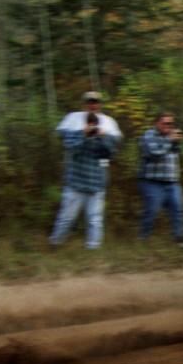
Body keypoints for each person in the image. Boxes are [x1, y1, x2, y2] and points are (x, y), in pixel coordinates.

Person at [49, 91, 123, 250]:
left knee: (94, 219)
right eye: (89, 102)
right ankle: (55, 244)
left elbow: (111, 153)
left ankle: (93, 249)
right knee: (66, 217)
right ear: (84, 103)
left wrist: (103, 136)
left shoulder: (108, 123)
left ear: (100, 104)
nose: (93, 105)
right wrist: (83, 134)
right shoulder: (72, 120)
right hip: (75, 181)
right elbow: (70, 147)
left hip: (97, 182)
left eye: (95, 102)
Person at [137, 111, 183, 246]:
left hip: (172, 181)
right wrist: (169, 140)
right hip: (152, 181)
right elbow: (154, 153)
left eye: (170, 123)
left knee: (178, 209)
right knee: (152, 210)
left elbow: (179, 153)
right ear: (157, 123)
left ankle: (180, 240)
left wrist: (178, 142)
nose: (168, 126)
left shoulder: (172, 136)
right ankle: (143, 239)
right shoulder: (149, 135)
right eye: (165, 123)